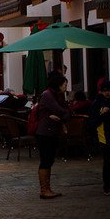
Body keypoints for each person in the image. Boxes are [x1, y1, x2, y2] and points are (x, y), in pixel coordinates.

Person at [35, 71, 71, 199]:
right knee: (46, 160)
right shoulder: (48, 95)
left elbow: (65, 112)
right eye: (64, 84)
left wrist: (63, 115)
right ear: (58, 84)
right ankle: (44, 189)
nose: (66, 87)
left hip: (51, 131)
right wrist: (63, 114)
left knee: (49, 160)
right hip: (45, 132)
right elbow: (62, 111)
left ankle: (47, 188)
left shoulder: (57, 96)